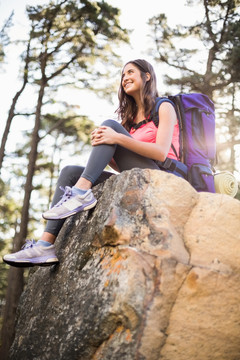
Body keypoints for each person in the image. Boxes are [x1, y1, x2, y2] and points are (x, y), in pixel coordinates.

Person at [3, 59, 187, 268]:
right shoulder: (129, 121)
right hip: (139, 176)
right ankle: (45, 244)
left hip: (163, 180)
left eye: (130, 72)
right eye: (122, 76)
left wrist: (117, 138)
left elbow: (161, 153)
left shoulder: (164, 107)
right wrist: (108, 151)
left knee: (109, 126)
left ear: (147, 76)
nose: (125, 78)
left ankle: (81, 193)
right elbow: (123, 169)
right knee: (70, 172)